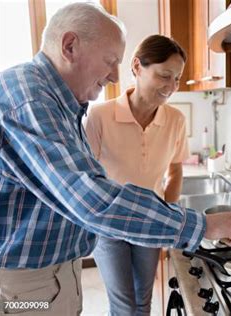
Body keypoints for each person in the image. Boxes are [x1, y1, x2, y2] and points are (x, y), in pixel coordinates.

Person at [0, 3, 231, 316]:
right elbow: (92, 199)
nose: (115, 76)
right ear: (69, 46)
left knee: (138, 302)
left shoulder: (59, 103)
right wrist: (201, 225)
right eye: (111, 61)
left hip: (51, 274)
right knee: (122, 304)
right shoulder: (30, 100)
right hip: (26, 288)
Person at [83, 35, 190, 315]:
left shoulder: (176, 120)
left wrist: (167, 217)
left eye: (177, 78)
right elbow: (86, 175)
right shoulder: (99, 116)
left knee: (142, 301)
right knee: (122, 304)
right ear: (137, 67)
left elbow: (175, 169)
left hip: (150, 222)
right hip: (108, 223)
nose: (171, 86)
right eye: (164, 75)